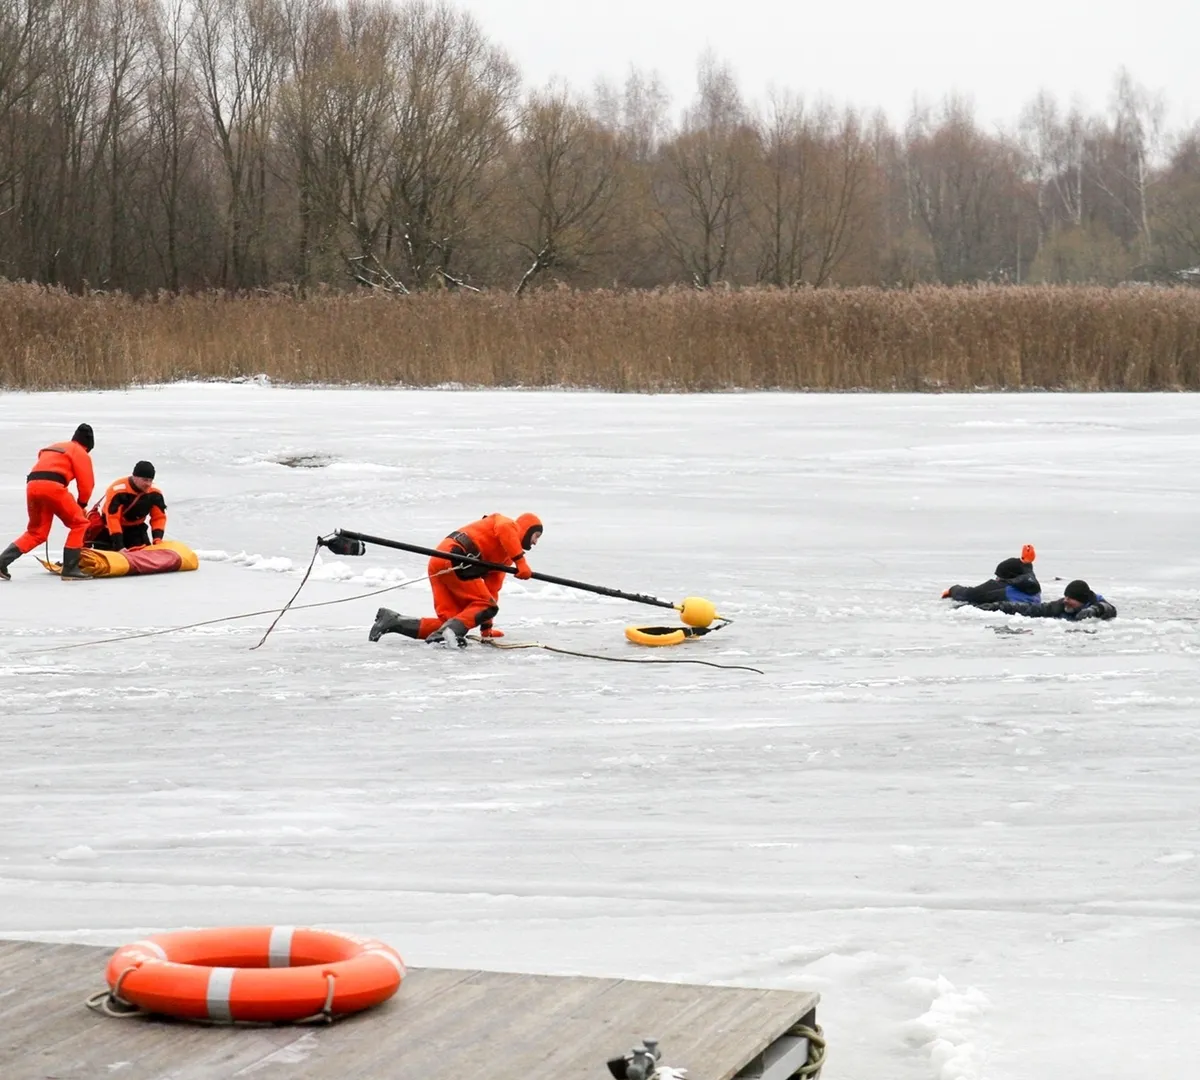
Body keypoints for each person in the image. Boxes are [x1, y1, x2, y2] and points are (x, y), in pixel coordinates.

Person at [370, 512, 544, 647]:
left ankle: (393, 621)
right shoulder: (507, 524)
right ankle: (444, 637)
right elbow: (505, 531)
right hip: (455, 558)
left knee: (452, 621)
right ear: (526, 529)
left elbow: (492, 590)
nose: (535, 543)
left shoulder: (503, 558)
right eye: (536, 536)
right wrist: (520, 561)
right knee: (479, 611)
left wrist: (486, 630)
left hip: (442, 561)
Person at [0, 424, 95, 582]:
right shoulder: (80, 452)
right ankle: (70, 568)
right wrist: (81, 505)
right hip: (53, 487)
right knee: (80, 523)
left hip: (32, 486)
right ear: (89, 445)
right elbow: (86, 485)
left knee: (36, 532)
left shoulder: (54, 447)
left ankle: (2, 561)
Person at [89, 461, 167, 551]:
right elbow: (112, 518)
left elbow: (159, 517)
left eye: (150, 480)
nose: (148, 484)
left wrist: (157, 540)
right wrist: (119, 546)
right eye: (145, 480)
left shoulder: (155, 494)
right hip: (109, 529)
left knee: (144, 556)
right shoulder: (117, 490)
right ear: (135, 477)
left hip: (135, 529)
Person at [941, 545, 1041, 606]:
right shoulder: (1032, 589)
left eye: (998, 576)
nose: (996, 579)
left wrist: (952, 589)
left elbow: (969, 594)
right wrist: (1025, 561)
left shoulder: (1003, 589)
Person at [976, 579, 1117, 621]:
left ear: (1082, 600)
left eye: (1071, 599)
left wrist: (1093, 610)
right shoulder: (1059, 606)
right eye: (1065, 597)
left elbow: (1109, 608)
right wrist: (999, 606)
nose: (1066, 601)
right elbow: (1030, 609)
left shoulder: (1096, 605)